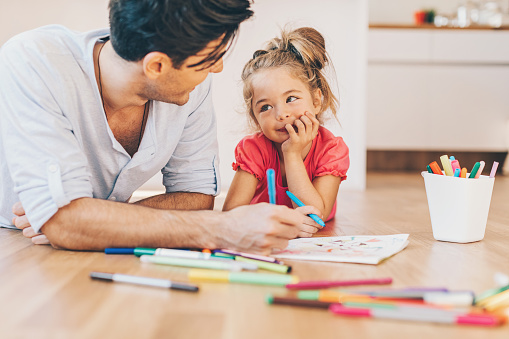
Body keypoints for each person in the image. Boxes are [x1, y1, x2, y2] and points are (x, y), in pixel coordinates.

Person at [0, 0, 306, 254]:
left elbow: (196, 196)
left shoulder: (190, 89)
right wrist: (225, 229)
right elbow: (66, 223)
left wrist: (90, 220)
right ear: (156, 66)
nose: (218, 67)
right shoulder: (33, 62)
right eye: (210, 59)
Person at [222, 27, 350, 237]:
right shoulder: (253, 149)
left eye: (291, 99)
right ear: (255, 119)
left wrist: (291, 154)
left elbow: (316, 214)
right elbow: (230, 214)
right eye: (265, 107)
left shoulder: (332, 149)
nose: (281, 114)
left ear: (316, 101)